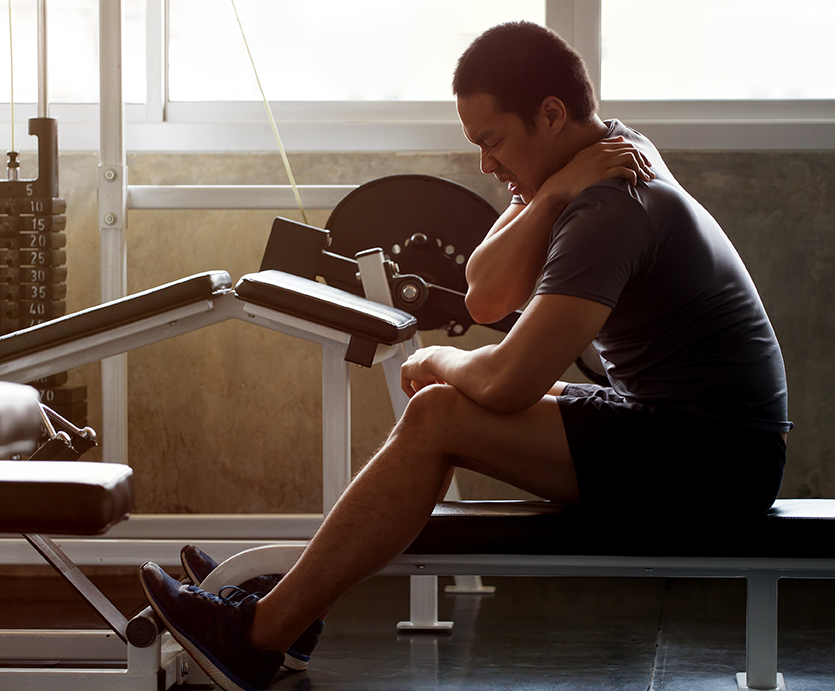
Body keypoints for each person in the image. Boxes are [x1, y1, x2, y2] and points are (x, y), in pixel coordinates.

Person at [139, 20, 792, 691]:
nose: (486, 164)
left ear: (551, 113)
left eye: (494, 141)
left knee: (436, 415)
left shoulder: (612, 205)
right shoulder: (598, 159)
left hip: (714, 457)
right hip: (684, 427)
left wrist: (438, 364)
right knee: (441, 409)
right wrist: (552, 192)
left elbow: (508, 379)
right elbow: (486, 292)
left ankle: (256, 635)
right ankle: (290, 611)